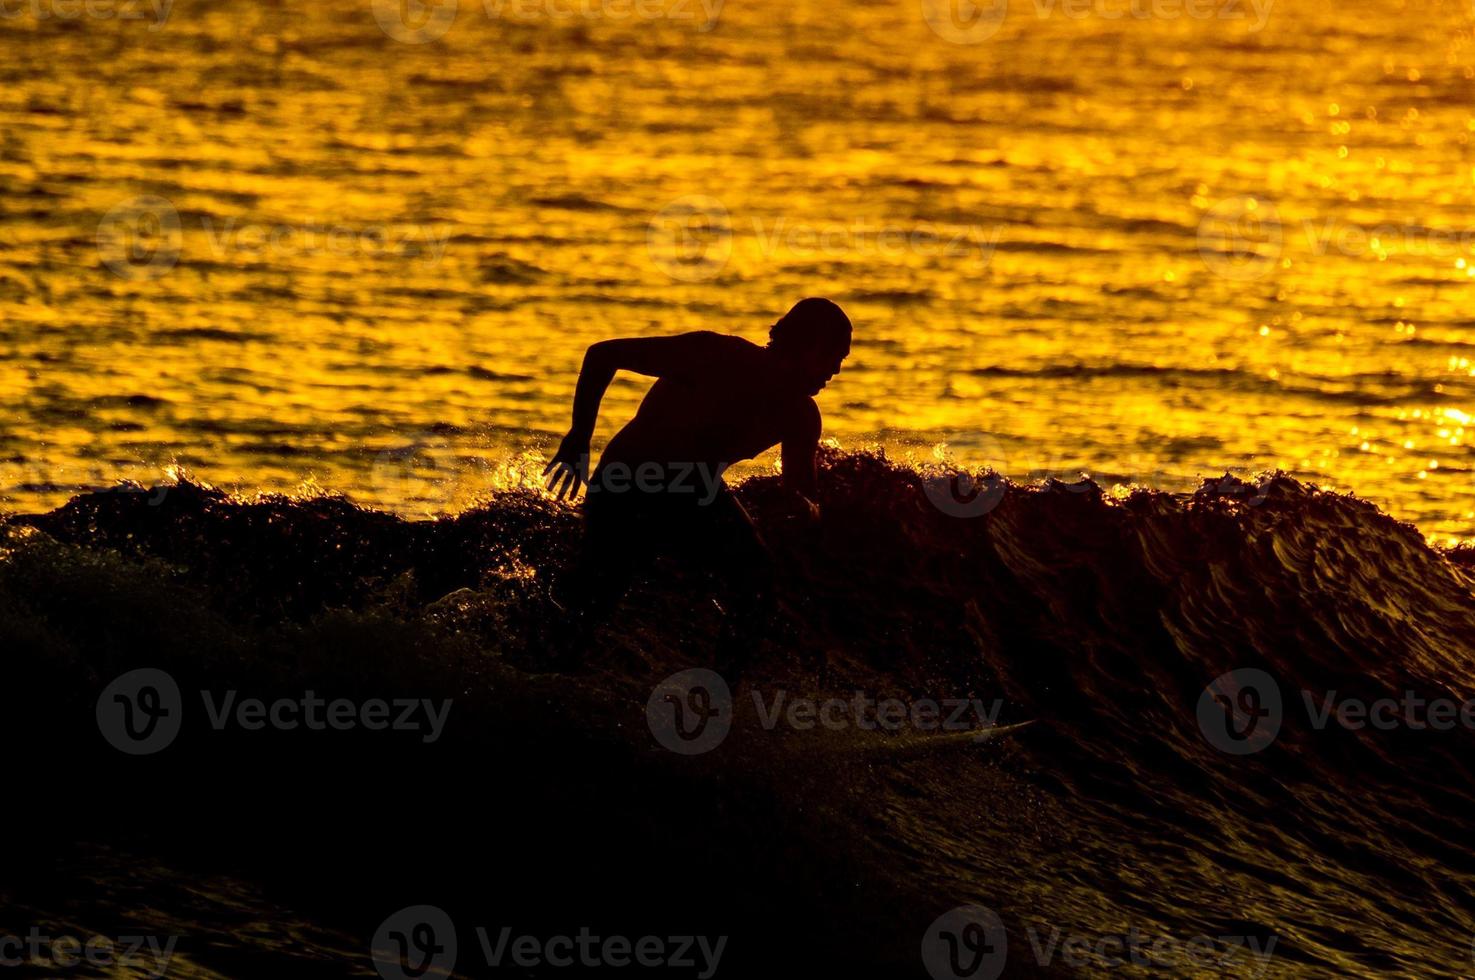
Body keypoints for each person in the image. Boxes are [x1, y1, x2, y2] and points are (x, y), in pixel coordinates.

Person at [542, 297, 852, 659]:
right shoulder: (714, 355)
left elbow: (804, 494)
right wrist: (580, 436)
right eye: (835, 357)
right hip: (628, 478)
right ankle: (534, 651)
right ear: (808, 344)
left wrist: (802, 508)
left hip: (695, 492)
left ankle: (715, 698)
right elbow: (603, 355)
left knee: (758, 584)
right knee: (596, 596)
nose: (836, 371)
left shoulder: (800, 417)